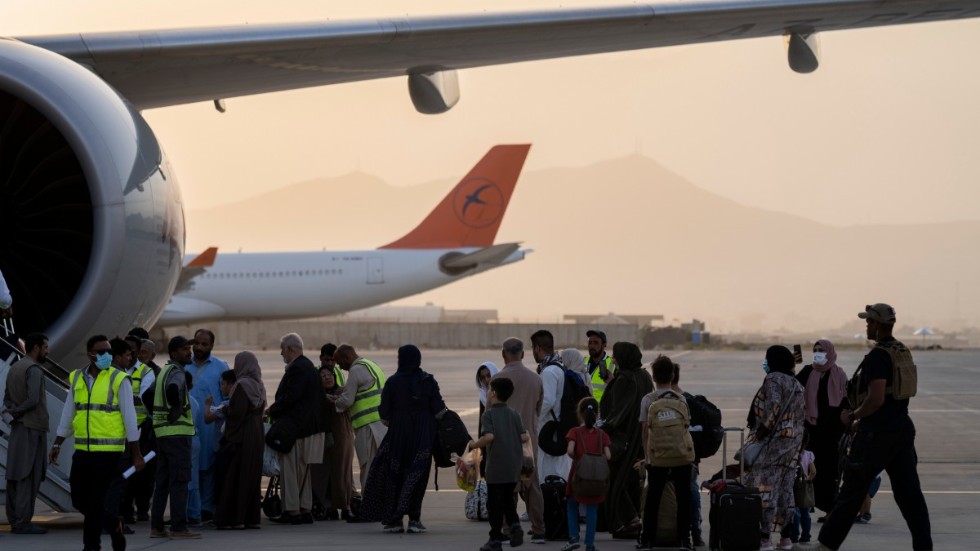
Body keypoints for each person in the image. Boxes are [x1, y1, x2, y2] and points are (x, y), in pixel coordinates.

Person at [816, 303, 932, 551]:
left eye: (869, 322)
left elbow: (876, 398)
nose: (867, 325)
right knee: (910, 496)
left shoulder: (879, 356)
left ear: (877, 325)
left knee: (851, 493)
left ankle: (825, 545)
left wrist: (854, 417)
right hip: (901, 429)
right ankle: (924, 546)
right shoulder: (901, 350)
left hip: (877, 434)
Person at [49, 335, 146, 551]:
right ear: (90, 354)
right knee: (80, 500)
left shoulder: (118, 379)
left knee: (95, 498)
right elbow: (69, 413)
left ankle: (91, 546)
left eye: (109, 352)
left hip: (109, 451)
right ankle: (114, 523)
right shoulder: (77, 378)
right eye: (102, 352)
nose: (107, 356)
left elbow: (130, 418)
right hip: (83, 450)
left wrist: (136, 454)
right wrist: (57, 443)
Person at [359, 344, 446, 533]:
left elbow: (383, 413)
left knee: (394, 475)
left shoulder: (392, 382)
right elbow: (439, 410)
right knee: (418, 475)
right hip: (423, 434)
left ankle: (394, 520)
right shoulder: (428, 381)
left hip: (398, 435)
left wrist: (397, 420)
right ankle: (415, 519)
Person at [743, 345, 805, 551]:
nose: (765, 362)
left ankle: (765, 538)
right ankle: (786, 538)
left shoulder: (773, 379)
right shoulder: (796, 383)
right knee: (786, 489)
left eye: (767, 358)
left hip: (774, 443)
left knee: (765, 488)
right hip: (793, 443)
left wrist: (762, 431)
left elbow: (774, 406)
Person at [268, 332, 328, 524]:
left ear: (291, 349)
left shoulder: (297, 369)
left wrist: (271, 410)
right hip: (310, 428)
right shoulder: (308, 366)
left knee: (291, 471)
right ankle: (304, 509)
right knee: (303, 472)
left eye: (282, 350)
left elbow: (290, 397)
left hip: (298, 429)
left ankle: (292, 511)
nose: (281, 354)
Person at [491, 337, 546, 544]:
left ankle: (507, 529)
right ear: (522, 354)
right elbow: (538, 409)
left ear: (503, 354)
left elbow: (491, 413)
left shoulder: (498, 380)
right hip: (528, 440)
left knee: (507, 488)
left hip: (504, 441)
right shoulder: (535, 379)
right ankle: (539, 528)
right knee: (532, 487)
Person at [636, 355, 694, 551]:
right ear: (672, 375)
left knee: (653, 499)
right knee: (683, 498)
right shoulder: (681, 399)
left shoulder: (648, 399)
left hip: (657, 457)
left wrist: (648, 458)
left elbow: (645, 431)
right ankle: (684, 540)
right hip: (681, 456)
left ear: (653, 377)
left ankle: (647, 540)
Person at [149, 335, 202, 539]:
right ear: (173, 353)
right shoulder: (178, 373)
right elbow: (173, 389)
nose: (189, 351)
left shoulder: (163, 372)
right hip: (177, 435)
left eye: (189, 348)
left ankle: (157, 527)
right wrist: (177, 409)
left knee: (162, 482)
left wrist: (158, 416)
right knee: (180, 481)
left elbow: (147, 396)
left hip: (162, 434)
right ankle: (179, 528)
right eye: (183, 349)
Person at [597, 341, 651, 539]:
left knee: (615, 480)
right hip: (640, 436)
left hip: (623, 439)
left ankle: (629, 520)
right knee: (630, 481)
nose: (613, 359)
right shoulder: (644, 375)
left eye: (615, 355)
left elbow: (617, 413)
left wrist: (600, 429)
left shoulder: (625, 380)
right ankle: (633, 519)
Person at [468, 376, 529, 551]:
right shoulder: (514, 413)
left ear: (493, 393)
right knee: (508, 499)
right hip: (513, 466)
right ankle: (515, 525)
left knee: (494, 503)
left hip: (496, 466)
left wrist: (473, 445)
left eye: (489, 390)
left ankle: (494, 539)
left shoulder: (489, 414)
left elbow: (489, 437)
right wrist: (510, 436)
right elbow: (524, 436)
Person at [212, 351, 266, 530]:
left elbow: (237, 413)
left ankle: (235, 518)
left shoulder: (242, 385)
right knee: (251, 477)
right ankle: (251, 518)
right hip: (257, 433)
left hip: (243, 435)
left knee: (236, 477)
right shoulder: (260, 385)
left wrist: (224, 411)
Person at [3, 332, 50, 534]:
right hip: (32, 428)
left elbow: (6, 399)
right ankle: (23, 522)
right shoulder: (34, 370)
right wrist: (17, 410)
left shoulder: (15, 367)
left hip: (18, 428)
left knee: (14, 475)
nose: (48, 351)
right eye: (45, 347)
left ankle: (15, 519)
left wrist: (12, 412)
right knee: (28, 476)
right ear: (36, 348)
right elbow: (33, 400)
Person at [796, 339, 848, 518]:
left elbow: (846, 401)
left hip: (832, 431)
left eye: (821, 350)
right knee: (808, 469)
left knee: (830, 471)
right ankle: (806, 506)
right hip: (810, 430)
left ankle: (830, 510)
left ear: (829, 352)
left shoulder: (839, 374)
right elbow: (793, 389)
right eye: (815, 349)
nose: (817, 352)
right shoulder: (808, 371)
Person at [184, 328, 230, 523]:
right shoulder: (184, 366)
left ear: (212, 346)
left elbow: (227, 397)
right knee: (189, 469)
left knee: (208, 467)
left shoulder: (220, 366)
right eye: (197, 343)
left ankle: (207, 508)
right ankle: (191, 510)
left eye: (204, 344)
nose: (199, 347)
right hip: (187, 426)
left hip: (210, 427)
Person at [329, 344, 388, 491]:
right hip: (382, 426)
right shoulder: (371, 364)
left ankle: (370, 508)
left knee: (368, 469)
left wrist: (334, 402)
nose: (341, 368)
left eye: (340, 362)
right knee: (382, 470)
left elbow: (347, 400)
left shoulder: (356, 370)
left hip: (368, 428)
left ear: (347, 357)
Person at [312, 348, 356, 521]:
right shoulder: (318, 397)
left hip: (342, 439)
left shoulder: (342, 393)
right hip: (324, 440)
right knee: (323, 474)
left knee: (342, 474)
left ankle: (344, 506)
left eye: (329, 375)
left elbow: (346, 403)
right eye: (322, 377)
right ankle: (328, 507)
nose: (327, 377)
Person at [563, 396, 611, 551]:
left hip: (578, 475)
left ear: (580, 413)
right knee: (592, 509)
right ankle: (590, 544)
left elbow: (570, 450)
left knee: (571, 504)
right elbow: (608, 456)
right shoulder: (602, 434)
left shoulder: (575, 432)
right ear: (596, 413)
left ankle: (573, 537)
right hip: (596, 478)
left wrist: (578, 458)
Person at [120, 334, 156, 525]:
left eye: (134, 349)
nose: (131, 353)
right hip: (118, 430)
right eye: (127, 349)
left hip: (140, 429)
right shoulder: (113, 371)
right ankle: (125, 510)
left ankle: (141, 508)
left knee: (143, 473)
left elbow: (143, 398)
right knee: (123, 473)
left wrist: (124, 400)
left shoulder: (145, 372)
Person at [531, 329, 572, 483]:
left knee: (549, 475)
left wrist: (533, 418)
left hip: (549, 431)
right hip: (558, 428)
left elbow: (547, 401)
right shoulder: (559, 366)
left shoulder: (549, 372)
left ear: (537, 348)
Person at [475, 360, 500, 477]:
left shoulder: (504, 394)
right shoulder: (483, 397)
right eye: (482, 377)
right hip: (488, 443)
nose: (486, 380)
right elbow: (482, 424)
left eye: (488, 375)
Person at [584, 330, 615, 403]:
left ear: (604, 344)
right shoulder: (583, 362)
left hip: (602, 410)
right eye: (590, 343)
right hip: (585, 409)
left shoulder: (613, 364)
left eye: (596, 343)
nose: (592, 346)